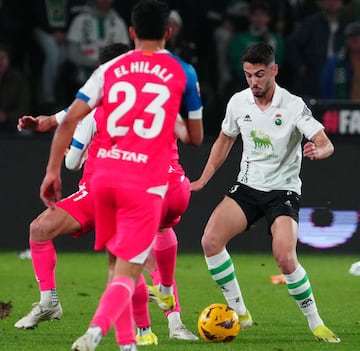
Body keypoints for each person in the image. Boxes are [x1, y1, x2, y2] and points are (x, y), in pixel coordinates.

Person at [39, 1, 203, 350]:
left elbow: (69, 119)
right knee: (128, 271)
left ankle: (130, 340)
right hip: (150, 183)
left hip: (104, 181)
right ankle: (100, 329)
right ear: (169, 32)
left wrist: (53, 170)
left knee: (116, 266)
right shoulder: (181, 71)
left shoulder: (109, 70)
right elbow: (196, 137)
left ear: (131, 32)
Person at [190, 42, 340, 343]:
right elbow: (223, 141)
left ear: (274, 70)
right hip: (247, 187)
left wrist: (319, 150)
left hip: (282, 191)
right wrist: (204, 179)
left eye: (259, 75)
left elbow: (325, 142)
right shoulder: (238, 103)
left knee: (285, 257)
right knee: (210, 241)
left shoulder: (293, 105)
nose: (254, 82)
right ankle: (239, 312)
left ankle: (315, 322)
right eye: (248, 75)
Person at [285, 0, 346, 102]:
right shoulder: (312, 23)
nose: (332, 3)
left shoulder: (346, 25)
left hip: (338, 78)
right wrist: (300, 66)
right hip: (313, 80)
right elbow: (292, 43)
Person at [66, 0, 130, 96]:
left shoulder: (118, 23)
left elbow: (126, 54)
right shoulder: (79, 20)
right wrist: (93, 63)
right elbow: (72, 53)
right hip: (81, 79)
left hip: (112, 80)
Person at [321, 21, 360, 100]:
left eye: (358, 36)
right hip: (343, 108)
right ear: (346, 39)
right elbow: (325, 86)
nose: (355, 39)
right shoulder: (335, 62)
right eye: (351, 36)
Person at [0, 43, 30, 134]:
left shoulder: (18, 80)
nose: (0, 62)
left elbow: (24, 108)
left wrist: (6, 116)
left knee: (26, 132)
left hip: (12, 123)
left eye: (3, 58)